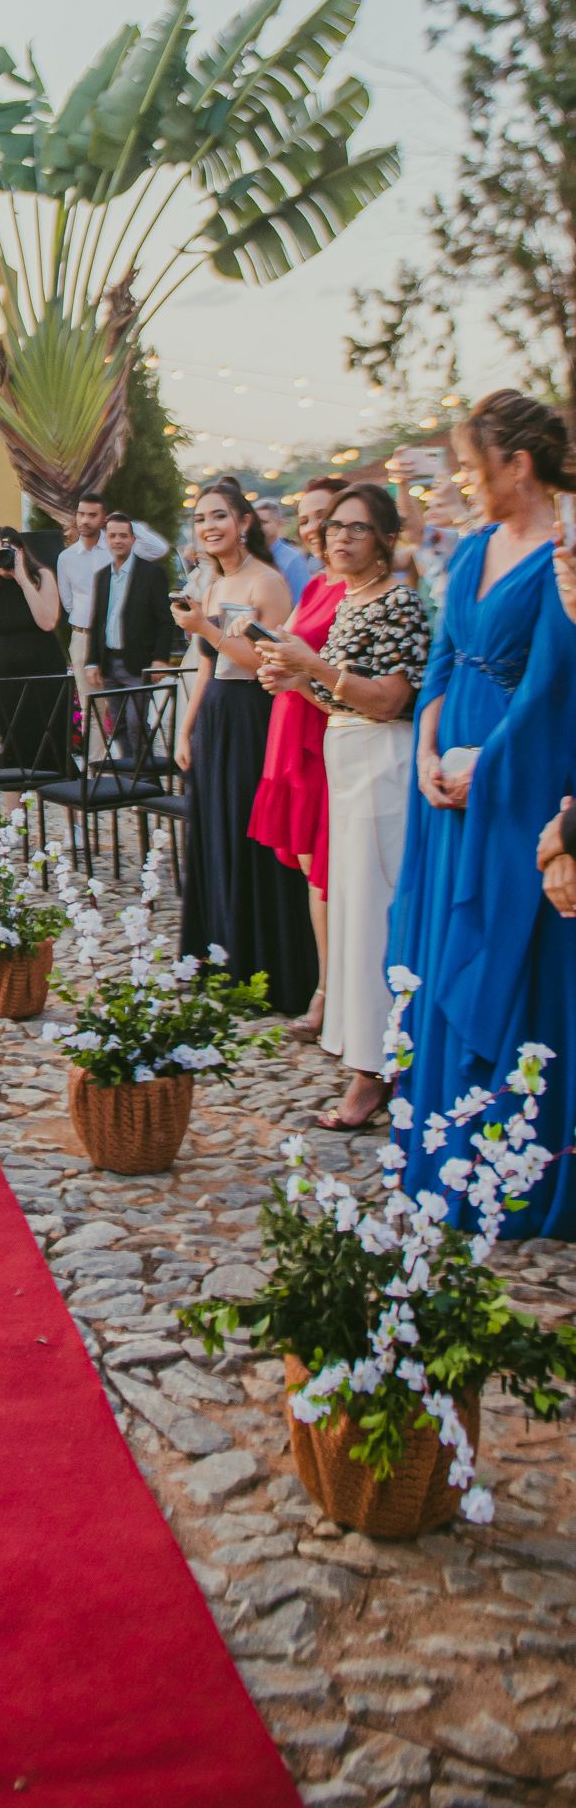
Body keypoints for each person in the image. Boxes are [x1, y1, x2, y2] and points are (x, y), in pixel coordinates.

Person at [391, 390, 576, 1239]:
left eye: (473, 465)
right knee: (439, 940)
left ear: (520, 466)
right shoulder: (470, 551)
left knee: (509, 947)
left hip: (519, 773)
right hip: (447, 775)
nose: (464, 482)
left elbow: (547, 688)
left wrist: (485, 769)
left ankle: (509, 1160)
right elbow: (439, 658)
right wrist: (427, 753)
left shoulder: (564, 555)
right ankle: (440, 1144)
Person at [258, 484, 430, 1127]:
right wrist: (298, 679)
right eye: (334, 528)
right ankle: (363, 1052)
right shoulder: (350, 601)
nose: (340, 538)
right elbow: (342, 696)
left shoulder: (400, 604)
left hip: (384, 762)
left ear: (385, 539)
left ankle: (376, 1070)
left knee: (374, 913)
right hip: (345, 756)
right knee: (352, 910)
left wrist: (317, 671)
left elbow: (387, 699)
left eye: (357, 528)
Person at [172, 479, 317, 1011]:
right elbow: (207, 668)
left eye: (218, 517)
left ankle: (263, 966)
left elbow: (269, 662)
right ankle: (218, 958)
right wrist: (186, 731)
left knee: (250, 834)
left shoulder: (267, 583)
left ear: (243, 523)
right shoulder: (209, 585)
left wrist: (206, 627)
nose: (208, 527)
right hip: (215, 715)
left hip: (256, 714)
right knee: (212, 833)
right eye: (200, 519)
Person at [247, 475, 348, 1036]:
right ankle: (324, 988)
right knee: (314, 871)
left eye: (324, 517)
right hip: (293, 725)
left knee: (327, 874)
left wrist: (295, 677)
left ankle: (330, 994)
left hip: (323, 729)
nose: (314, 529)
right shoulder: (313, 585)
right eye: (306, 519)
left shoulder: (355, 590)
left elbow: (328, 670)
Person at [0, 525, 69, 774]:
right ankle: (16, 810)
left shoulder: (41, 576)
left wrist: (22, 578)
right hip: (7, 671)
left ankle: (58, 796)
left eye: (9, 552)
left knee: (49, 735)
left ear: (21, 552)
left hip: (45, 667)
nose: (4, 558)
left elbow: (47, 622)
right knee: (12, 739)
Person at [55, 491, 168, 707]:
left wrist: (126, 524)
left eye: (92, 515)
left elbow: (158, 549)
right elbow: (68, 601)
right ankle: (96, 744)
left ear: (103, 519)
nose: (85, 520)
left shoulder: (116, 547)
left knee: (126, 713)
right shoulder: (66, 557)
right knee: (92, 710)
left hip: (119, 642)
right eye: (81, 514)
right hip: (83, 637)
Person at [84, 510, 177, 758]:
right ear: (107, 540)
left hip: (138, 662)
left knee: (137, 725)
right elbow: (97, 622)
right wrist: (92, 661)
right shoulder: (102, 576)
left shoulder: (151, 574)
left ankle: (146, 780)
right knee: (119, 725)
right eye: (113, 536)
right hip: (109, 662)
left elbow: (165, 621)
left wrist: (160, 659)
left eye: (123, 536)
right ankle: (127, 781)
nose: (118, 541)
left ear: (133, 539)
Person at [255, 496, 319, 606]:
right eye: (254, 523)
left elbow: (302, 602)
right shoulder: (250, 556)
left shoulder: (292, 559)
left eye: (263, 522)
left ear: (278, 523)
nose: (256, 527)